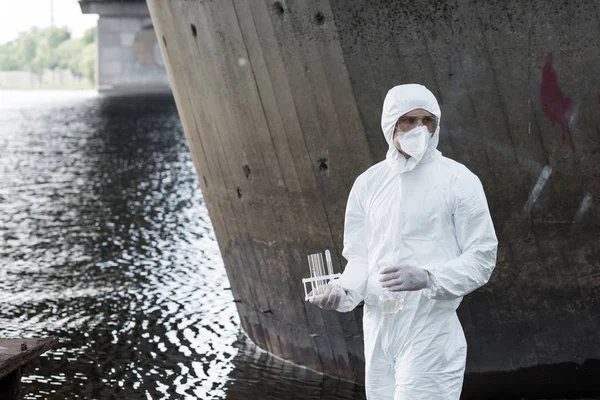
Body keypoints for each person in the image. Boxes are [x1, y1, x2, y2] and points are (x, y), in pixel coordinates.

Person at [307, 84, 498, 399]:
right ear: (390, 124)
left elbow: (482, 257)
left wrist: (428, 277)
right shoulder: (368, 184)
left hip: (429, 328)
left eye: (427, 121)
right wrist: (341, 292)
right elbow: (360, 259)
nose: (419, 129)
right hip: (379, 326)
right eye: (409, 120)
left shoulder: (458, 180)